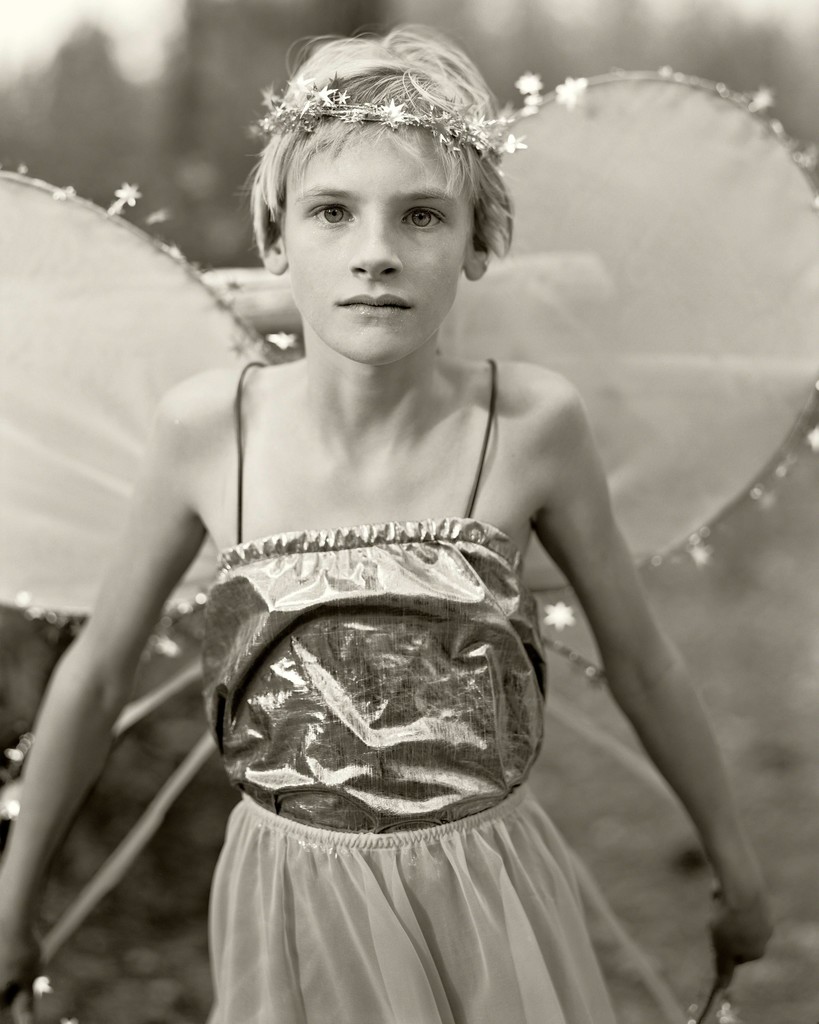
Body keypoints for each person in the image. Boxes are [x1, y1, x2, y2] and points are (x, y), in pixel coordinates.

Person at [0, 25, 771, 1024]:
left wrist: (736, 863)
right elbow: (99, 670)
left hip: (488, 893)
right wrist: (14, 896)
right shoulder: (206, 431)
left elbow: (642, 659)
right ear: (277, 240)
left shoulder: (529, 425)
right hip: (293, 904)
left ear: (479, 243)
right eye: (333, 212)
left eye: (420, 216)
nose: (375, 254)